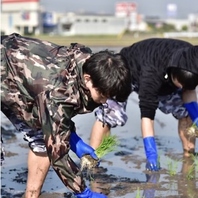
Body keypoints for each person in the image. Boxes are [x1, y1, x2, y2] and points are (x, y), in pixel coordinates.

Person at [0, 33, 132, 198]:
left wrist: (74, 140)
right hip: (6, 69)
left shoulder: (91, 63)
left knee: (41, 139)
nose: (105, 101)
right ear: (88, 79)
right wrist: (84, 192)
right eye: (103, 94)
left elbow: (54, 120)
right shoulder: (57, 93)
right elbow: (58, 155)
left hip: (19, 76)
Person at [90, 38, 198, 172]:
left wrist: (196, 118)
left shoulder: (191, 59)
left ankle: (189, 156)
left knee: (186, 113)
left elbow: (189, 91)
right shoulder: (152, 74)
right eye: (181, 85)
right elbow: (147, 116)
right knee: (108, 116)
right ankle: (92, 160)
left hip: (166, 76)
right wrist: (151, 154)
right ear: (173, 75)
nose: (183, 88)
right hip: (128, 72)